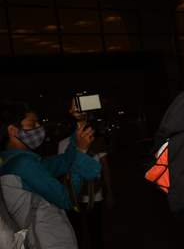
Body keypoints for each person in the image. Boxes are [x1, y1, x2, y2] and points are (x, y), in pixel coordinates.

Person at [0, 101, 100, 248]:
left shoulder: (13, 161)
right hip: (49, 242)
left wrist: (80, 124)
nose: (39, 128)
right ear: (13, 130)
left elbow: (66, 161)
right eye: (32, 124)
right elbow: (67, 199)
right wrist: (81, 151)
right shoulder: (23, 164)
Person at [58, 98, 114, 249]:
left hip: (94, 198)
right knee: (76, 236)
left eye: (83, 111)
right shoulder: (63, 144)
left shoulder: (97, 141)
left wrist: (109, 192)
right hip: (73, 199)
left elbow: (105, 169)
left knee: (96, 235)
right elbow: (63, 173)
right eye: (75, 109)